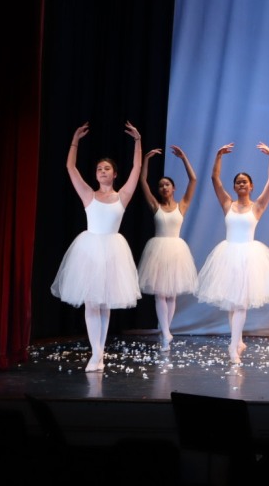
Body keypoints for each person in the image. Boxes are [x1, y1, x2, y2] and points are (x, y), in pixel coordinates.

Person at [51, 121, 142, 372]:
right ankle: (96, 354)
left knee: (104, 303)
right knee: (92, 302)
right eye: (99, 168)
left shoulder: (122, 196)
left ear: (115, 174)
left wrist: (137, 141)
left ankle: (99, 353)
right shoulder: (88, 195)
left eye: (107, 169)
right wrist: (75, 140)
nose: (102, 171)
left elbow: (137, 167)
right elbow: (70, 167)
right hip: (89, 252)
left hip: (113, 252)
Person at [195, 141, 269, 365]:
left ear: (251, 186)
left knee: (240, 303)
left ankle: (233, 346)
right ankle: (237, 341)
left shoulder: (257, 206)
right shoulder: (227, 204)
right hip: (229, 257)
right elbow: (214, 179)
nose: (241, 184)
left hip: (249, 257)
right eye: (238, 182)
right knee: (233, 304)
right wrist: (218, 156)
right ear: (235, 187)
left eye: (245, 182)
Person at [137, 145, 199, 352]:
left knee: (171, 294)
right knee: (160, 294)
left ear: (173, 189)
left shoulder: (182, 205)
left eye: (167, 185)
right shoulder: (155, 206)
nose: (164, 188)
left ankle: (166, 332)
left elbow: (193, 180)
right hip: (158, 251)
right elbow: (142, 181)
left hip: (176, 251)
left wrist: (184, 158)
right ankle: (165, 333)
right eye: (161, 185)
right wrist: (146, 160)